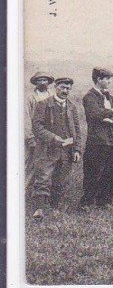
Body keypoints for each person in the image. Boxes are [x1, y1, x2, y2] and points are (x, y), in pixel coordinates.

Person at [31, 77, 82, 217]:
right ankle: (39, 209)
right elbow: (37, 127)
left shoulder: (71, 107)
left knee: (61, 180)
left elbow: (77, 130)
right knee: (43, 178)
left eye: (68, 88)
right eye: (62, 88)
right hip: (47, 150)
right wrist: (53, 138)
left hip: (66, 151)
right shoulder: (43, 104)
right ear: (55, 87)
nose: (65, 91)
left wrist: (77, 149)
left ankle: (55, 208)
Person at [81, 67, 113, 209]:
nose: (110, 82)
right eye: (107, 79)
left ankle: (104, 201)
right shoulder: (89, 97)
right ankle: (86, 202)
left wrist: (111, 117)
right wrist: (111, 112)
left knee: (110, 171)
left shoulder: (110, 97)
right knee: (92, 172)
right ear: (99, 79)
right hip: (97, 141)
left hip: (112, 140)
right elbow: (94, 114)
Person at [25, 71, 55, 194]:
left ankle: (42, 194)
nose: (42, 82)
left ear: (48, 82)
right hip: (35, 136)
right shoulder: (30, 97)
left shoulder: (52, 95)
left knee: (48, 164)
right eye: (39, 80)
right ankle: (24, 193)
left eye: (44, 80)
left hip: (49, 135)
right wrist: (30, 137)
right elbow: (26, 117)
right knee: (31, 165)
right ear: (35, 83)